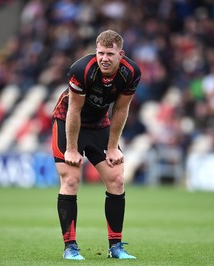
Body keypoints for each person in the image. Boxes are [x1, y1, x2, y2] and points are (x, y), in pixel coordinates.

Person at [51, 29, 141, 260]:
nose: (104, 58)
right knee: (70, 179)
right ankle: (70, 247)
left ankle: (116, 247)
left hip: (99, 123)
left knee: (117, 177)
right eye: (100, 52)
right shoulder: (82, 70)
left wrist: (113, 146)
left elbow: (121, 109)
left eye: (110, 53)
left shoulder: (131, 73)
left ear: (121, 54)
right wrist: (71, 149)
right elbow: (74, 110)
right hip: (68, 121)